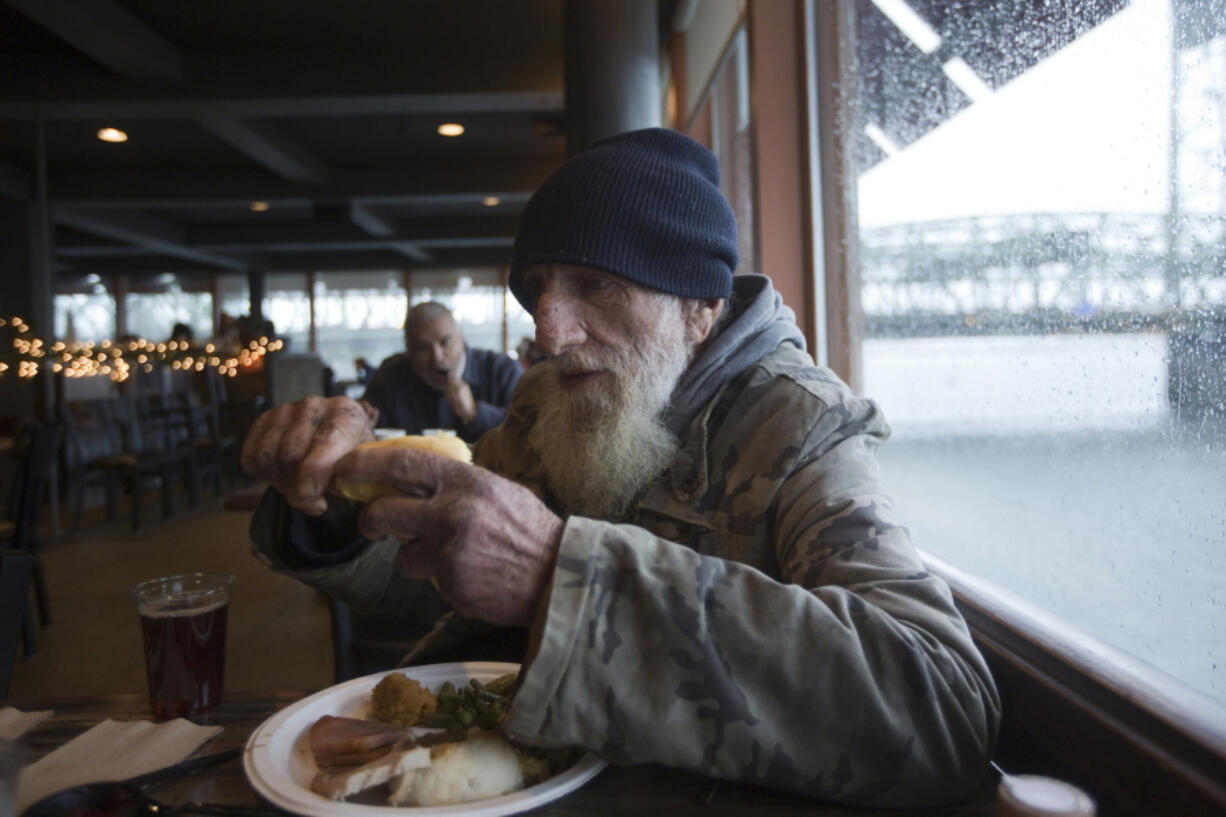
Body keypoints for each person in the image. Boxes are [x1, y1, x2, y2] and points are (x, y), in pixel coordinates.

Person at [241, 128, 999, 807]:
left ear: (699, 307)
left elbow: (943, 706)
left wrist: (557, 579)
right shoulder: (549, 406)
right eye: (539, 289)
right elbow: (419, 562)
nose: (549, 330)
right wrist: (330, 491)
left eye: (596, 283)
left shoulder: (798, 426)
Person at [361, 302, 521, 443]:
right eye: (423, 348)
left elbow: (528, 429)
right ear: (408, 349)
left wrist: (475, 413)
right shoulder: (389, 379)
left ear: (462, 336)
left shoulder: (502, 370)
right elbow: (363, 425)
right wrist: (361, 422)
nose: (437, 358)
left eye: (445, 342)